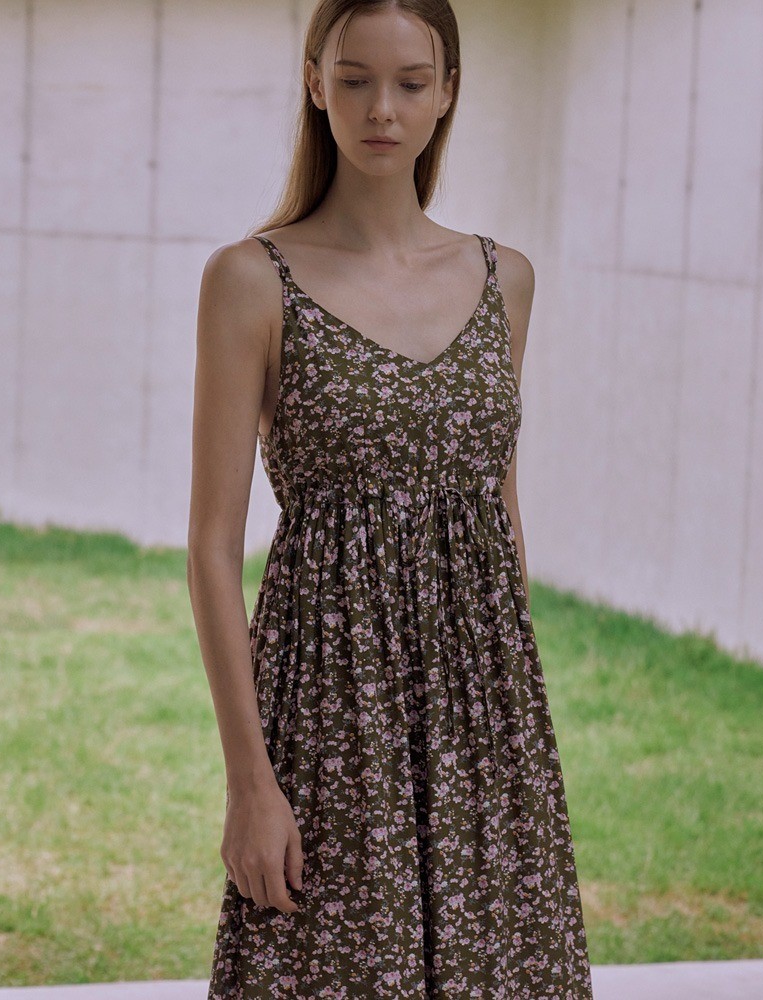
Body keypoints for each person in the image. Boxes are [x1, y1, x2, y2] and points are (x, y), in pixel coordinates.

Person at [187, 1, 594, 996]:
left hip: (483, 712)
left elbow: (497, 510)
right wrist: (249, 784)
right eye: (355, 79)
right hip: (333, 712)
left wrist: (507, 729)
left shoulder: (504, 279)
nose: (382, 109)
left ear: (447, 90)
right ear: (313, 83)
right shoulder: (251, 279)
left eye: (411, 82)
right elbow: (210, 549)